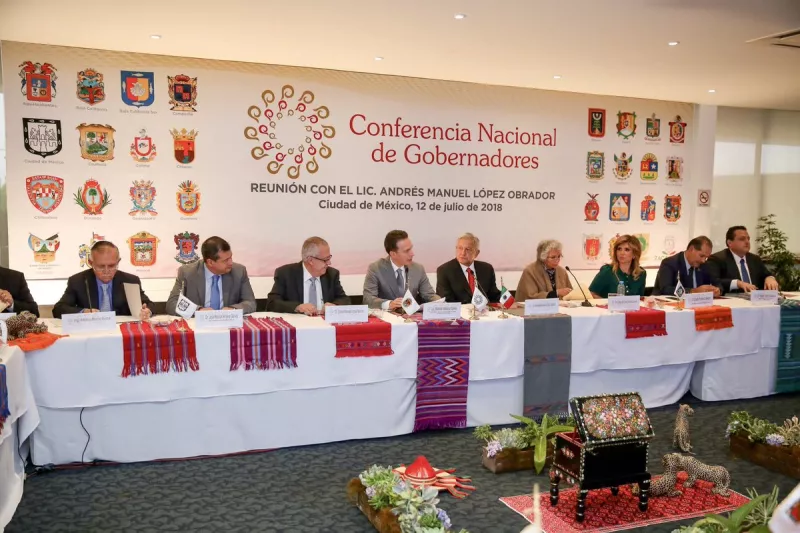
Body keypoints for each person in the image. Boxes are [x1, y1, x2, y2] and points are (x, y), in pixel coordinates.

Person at [53, 241, 152, 318]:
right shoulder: (78, 281)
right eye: (101, 266)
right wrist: (83, 312)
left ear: (118, 261)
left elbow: (149, 304)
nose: (106, 271)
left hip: (122, 332)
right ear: (91, 263)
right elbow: (58, 309)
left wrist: (147, 310)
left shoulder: (130, 280)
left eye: (112, 265)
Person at [166, 236, 256, 315]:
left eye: (231, 257)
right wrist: (198, 310)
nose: (231, 263)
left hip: (229, 325)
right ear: (210, 262)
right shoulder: (187, 272)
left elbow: (250, 303)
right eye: (226, 260)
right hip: (198, 327)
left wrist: (233, 309)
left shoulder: (239, 271)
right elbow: (172, 304)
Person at [266, 236, 350, 314]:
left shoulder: (331, 274)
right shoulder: (286, 274)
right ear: (310, 260)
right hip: (297, 325)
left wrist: (334, 306)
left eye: (329, 258)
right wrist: (297, 307)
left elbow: (344, 300)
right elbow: (272, 302)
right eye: (325, 260)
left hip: (325, 325)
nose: (329, 263)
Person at [363, 230, 439, 310]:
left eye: (411, 249)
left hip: (411, 318)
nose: (412, 254)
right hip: (387, 318)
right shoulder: (376, 268)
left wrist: (441, 304)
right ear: (393, 254)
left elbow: (429, 295)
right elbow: (368, 299)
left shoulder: (418, 269)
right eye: (407, 251)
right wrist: (389, 304)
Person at [707, 225, 779, 293]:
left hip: (756, 300)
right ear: (730, 243)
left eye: (748, 239)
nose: (747, 242)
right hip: (732, 301)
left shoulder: (754, 259)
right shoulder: (717, 259)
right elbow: (714, 282)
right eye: (742, 239)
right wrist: (737, 283)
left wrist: (770, 278)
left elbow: (766, 274)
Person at [436, 233, 501, 304]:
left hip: (485, 312)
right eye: (460, 248)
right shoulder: (444, 270)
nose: (463, 253)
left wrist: (509, 302)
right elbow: (446, 300)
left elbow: (494, 295)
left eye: (468, 249)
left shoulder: (487, 269)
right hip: (460, 313)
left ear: (476, 253)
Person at [652, 236, 721, 296]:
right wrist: (692, 291)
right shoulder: (669, 263)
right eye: (701, 256)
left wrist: (717, 290)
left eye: (706, 257)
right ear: (691, 249)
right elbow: (666, 289)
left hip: (699, 306)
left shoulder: (705, 265)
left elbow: (718, 283)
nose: (703, 260)